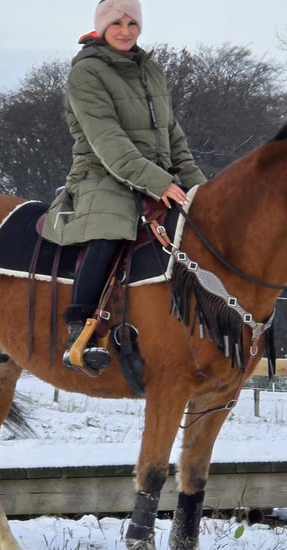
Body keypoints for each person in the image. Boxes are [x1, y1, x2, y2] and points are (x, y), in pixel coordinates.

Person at [42, 0, 207, 371]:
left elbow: (173, 136)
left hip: (157, 176)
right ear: (101, 27)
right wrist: (156, 181)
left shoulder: (151, 70)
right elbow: (107, 141)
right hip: (101, 174)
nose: (126, 30)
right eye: (116, 22)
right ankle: (80, 332)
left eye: (133, 22)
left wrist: (199, 189)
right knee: (111, 226)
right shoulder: (87, 73)